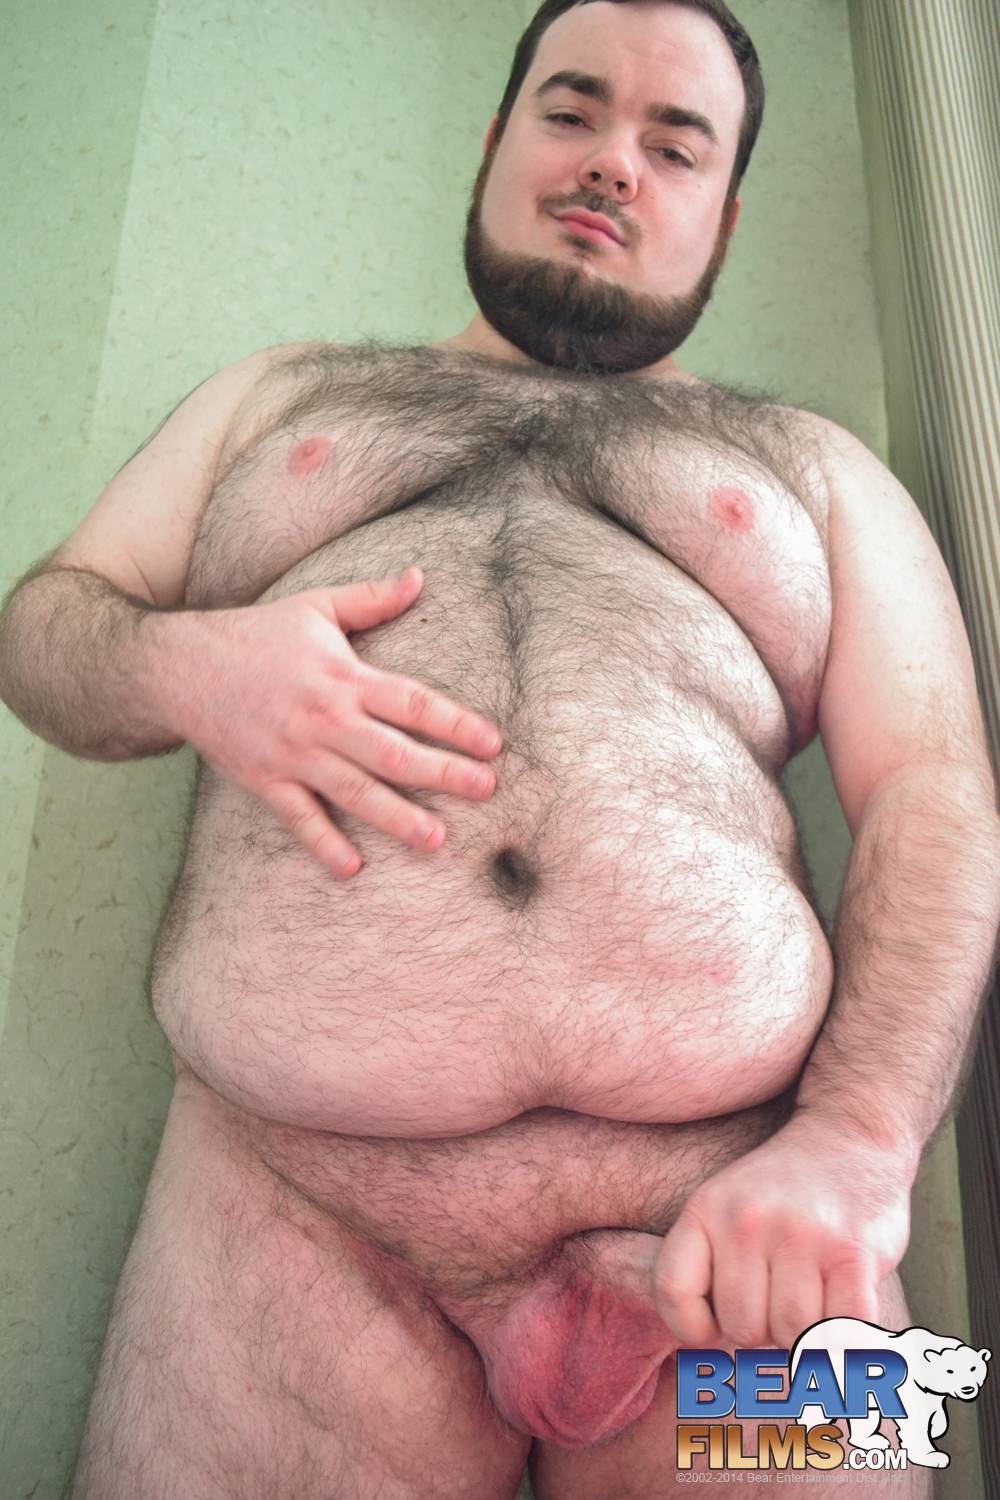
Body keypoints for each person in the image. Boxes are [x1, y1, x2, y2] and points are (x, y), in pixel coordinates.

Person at [1, 1, 997, 1495]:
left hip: (749, 1230)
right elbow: (41, 631)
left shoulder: (815, 463)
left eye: (675, 146)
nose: (612, 163)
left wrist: (858, 1149)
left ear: (725, 216)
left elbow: (936, 794)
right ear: (494, 141)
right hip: (289, 1208)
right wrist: (185, 666)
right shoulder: (277, 395)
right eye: (571, 110)